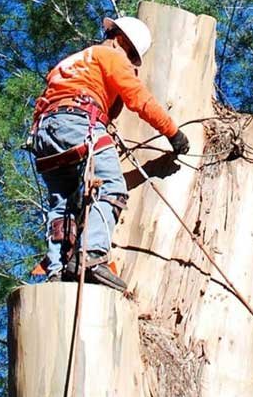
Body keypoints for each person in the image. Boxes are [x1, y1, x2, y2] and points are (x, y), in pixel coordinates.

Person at [30, 16, 189, 290]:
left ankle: (57, 270)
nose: (128, 61)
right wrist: (173, 133)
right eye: (130, 54)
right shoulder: (110, 56)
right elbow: (139, 99)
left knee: (64, 204)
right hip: (79, 122)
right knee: (112, 188)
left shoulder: (71, 63)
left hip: (44, 133)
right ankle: (91, 258)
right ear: (121, 41)